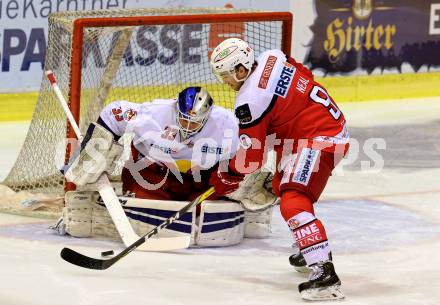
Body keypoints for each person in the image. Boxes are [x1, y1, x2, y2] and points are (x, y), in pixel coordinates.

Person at [209, 38, 349, 301]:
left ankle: (323, 272)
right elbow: (304, 75)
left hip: (321, 138)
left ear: (241, 69)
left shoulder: (249, 100)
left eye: (226, 75)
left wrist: (227, 178)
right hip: (320, 127)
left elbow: (251, 158)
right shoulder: (273, 57)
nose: (225, 82)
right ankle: (309, 248)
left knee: (293, 202)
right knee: (277, 186)